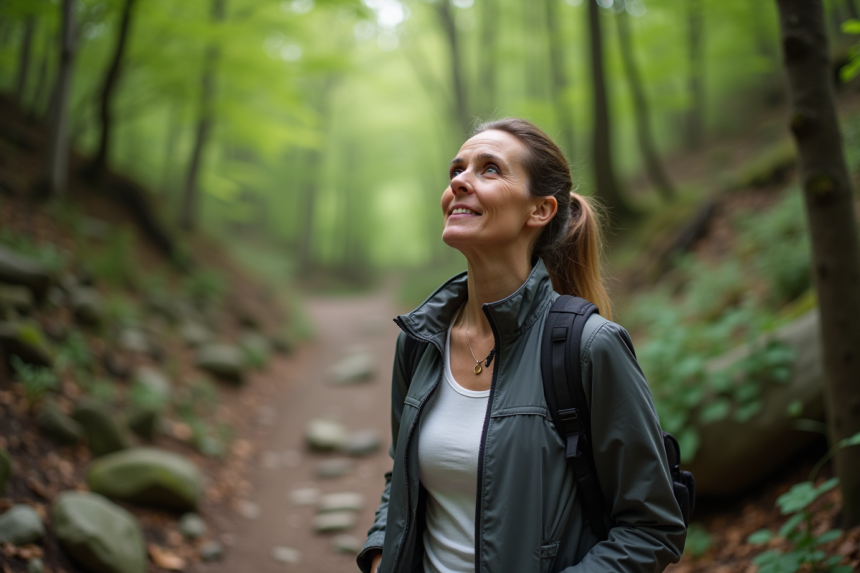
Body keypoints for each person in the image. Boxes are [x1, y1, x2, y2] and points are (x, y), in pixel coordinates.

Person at [357, 118, 686, 573]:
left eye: (489, 169)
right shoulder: (419, 343)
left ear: (540, 211)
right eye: (456, 169)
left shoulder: (589, 348)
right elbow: (402, 477)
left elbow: (652, 527)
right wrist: (379, 554)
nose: (459, 181)